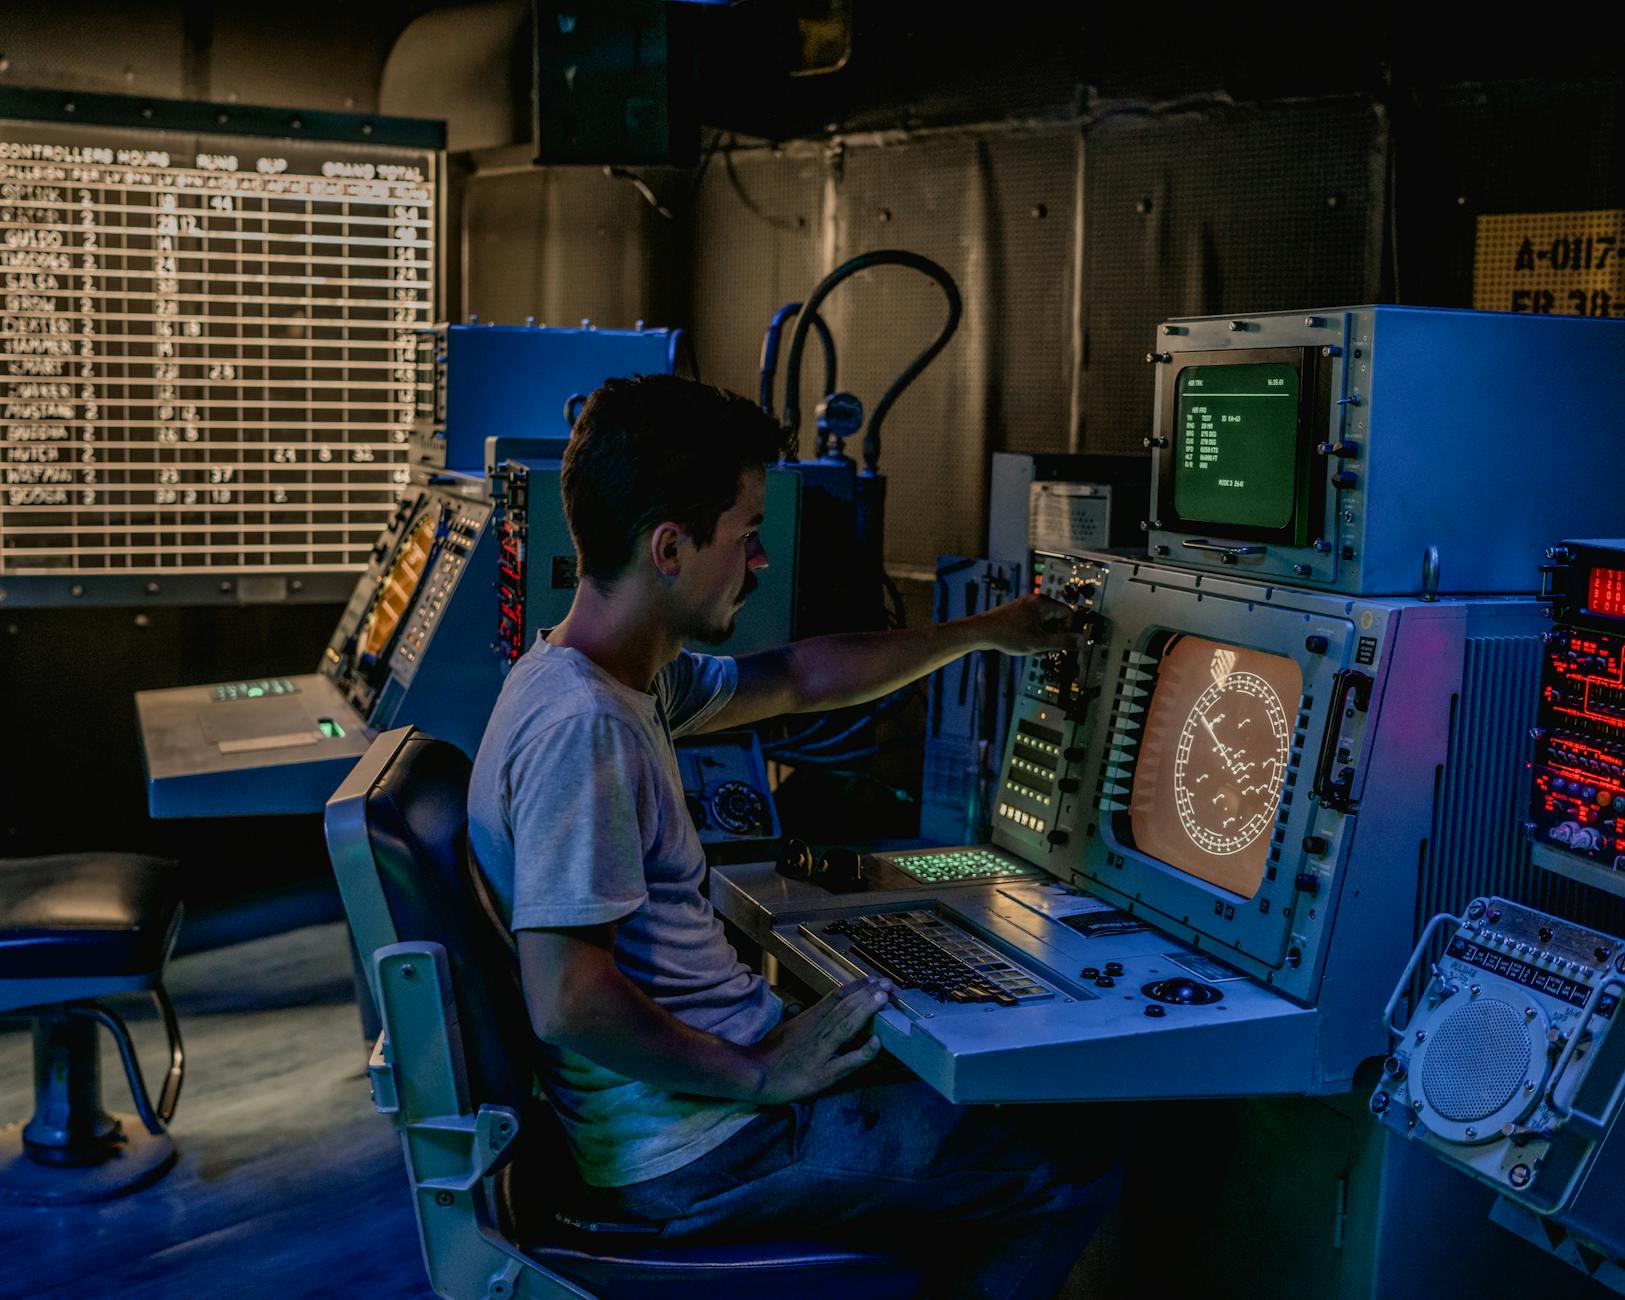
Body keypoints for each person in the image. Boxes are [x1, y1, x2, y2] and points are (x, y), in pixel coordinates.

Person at [468, 374, 1121, 1299]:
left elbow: (802, 678)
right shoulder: (586, 730)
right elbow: (568, 999)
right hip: (701, 1148)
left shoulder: (598, 677)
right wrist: (758, 1073)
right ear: (669, 547)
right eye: (745, 534)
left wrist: (985, 632)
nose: (761, 561)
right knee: (1075, 1145)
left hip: (704, 1113)